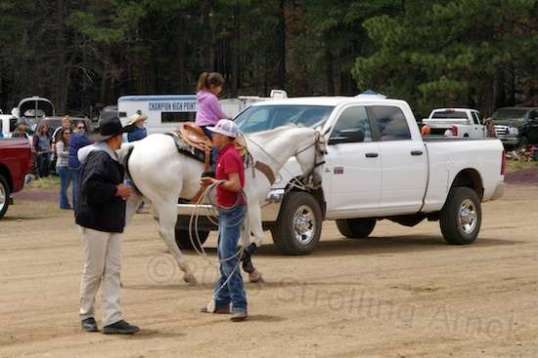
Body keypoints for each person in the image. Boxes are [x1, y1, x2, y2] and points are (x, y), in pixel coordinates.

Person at [75, 116, 139, 335]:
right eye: (121, 135)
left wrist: (116, 191)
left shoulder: (105, 156)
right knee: (95, 270)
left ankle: (112, 317)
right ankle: (87, 314)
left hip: (107, 221)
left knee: (111, 270)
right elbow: (89, 188)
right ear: (115, 138)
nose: (123, 139)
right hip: (97, 221)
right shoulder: (101, 158)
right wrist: (116, 190)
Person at [200, 119, 248, 322]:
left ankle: (239, 304)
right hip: (228, 209)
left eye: (216, 134)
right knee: (223, 254)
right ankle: (221, 301)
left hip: (232, 209)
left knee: (227, 256)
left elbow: (236, 185)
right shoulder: (226, 154)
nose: (212, 136)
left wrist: (215, 182)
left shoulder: (228, 156)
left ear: (225, 137)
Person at [195, 72, 229, 174]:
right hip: (209, 123)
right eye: (219, 87)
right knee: (218, 142)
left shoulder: (201, 95)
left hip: (201, 123)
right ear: (213, 86)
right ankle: (215, 164)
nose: (220, 89)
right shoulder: (211, 98)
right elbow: (218, 113)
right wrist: (228, 119)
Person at [69, 121, 92, 209]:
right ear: (75, 128)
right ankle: (78, 205)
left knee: (77, 184)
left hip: (75, 162)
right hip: (77, 163)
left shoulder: (74, 136)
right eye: (80, 127)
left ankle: (77, 204)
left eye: (83, 127)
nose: (82, 129)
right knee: (77, 185)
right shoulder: (77, 137)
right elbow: (89, 141)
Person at [56, 128, 72, 209]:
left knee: (66, 186)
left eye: (69, 133)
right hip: (62, 166)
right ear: (62, 134)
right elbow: (60, 153)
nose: (68, 135)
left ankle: (65, 203)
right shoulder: (60, 143)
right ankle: (63, 204)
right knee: (64, 186)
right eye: (66, 133)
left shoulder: (69, 143)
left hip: (68, 166)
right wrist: (70, 153)